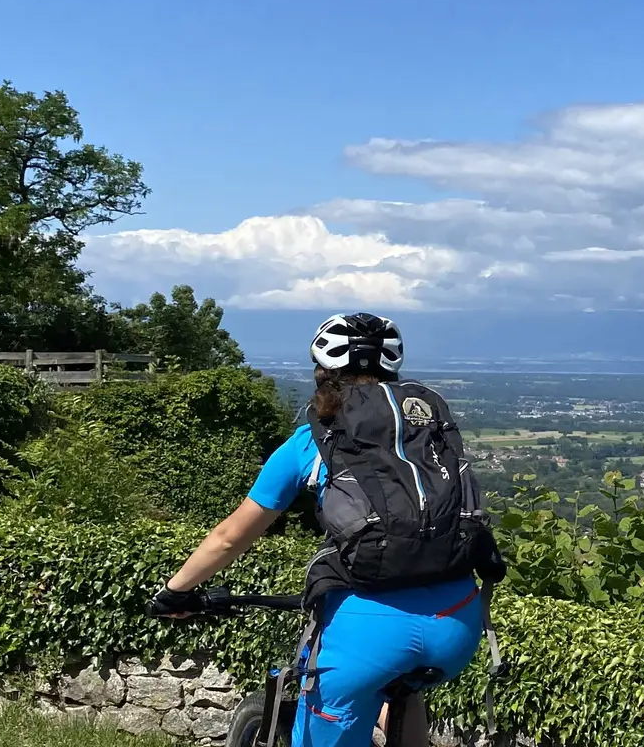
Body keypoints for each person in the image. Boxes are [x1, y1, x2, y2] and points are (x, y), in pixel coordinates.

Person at [149, 313, 499, 747]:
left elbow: (229, 537)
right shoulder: (428, 431)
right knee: (399, 692)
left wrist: (175, 592)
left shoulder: (308, 441)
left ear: (322, 370)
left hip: (367, 632)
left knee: (356, 684)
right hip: (457, 625)